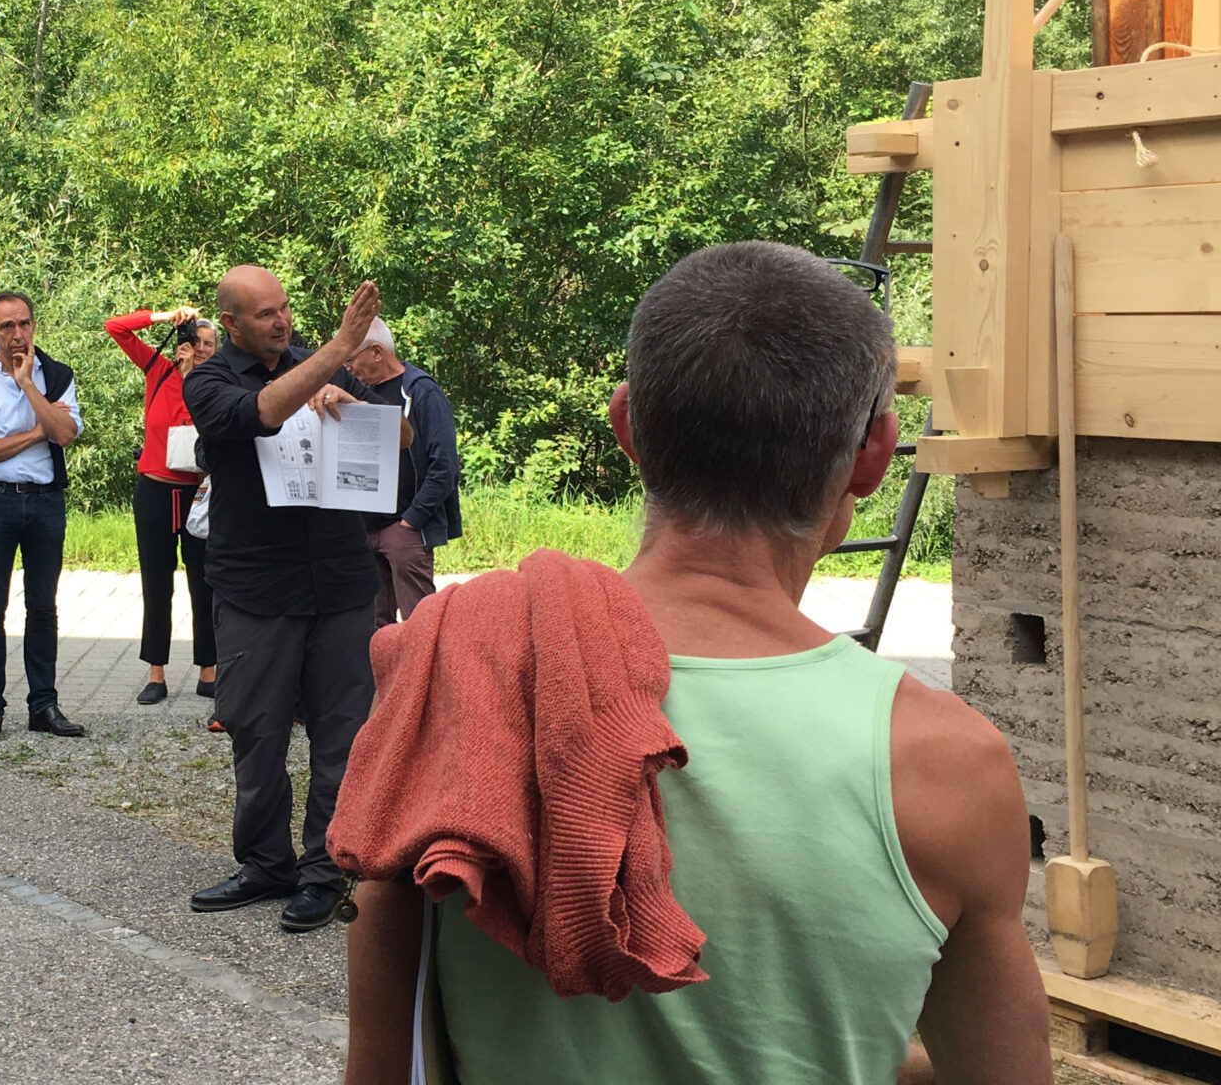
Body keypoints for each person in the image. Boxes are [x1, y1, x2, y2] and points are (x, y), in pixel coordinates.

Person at [340, 243, 1051, 1085]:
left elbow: (384, 1062)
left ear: (627, 427)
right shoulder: (951, 765)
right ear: (874, 455)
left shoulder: (457, 674)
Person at [181, 269, 407, 933]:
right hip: (257, 589)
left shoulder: (324, 366)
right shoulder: (208, 380)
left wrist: (353, 400)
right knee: (255, 730)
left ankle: (324, 874)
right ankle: (265, 865)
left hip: (340, 584)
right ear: (231, 323)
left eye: (284, 309)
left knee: (342, 734)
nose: (281, 321)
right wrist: (337, 352)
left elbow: (403, 439)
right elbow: (263, 413)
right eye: (265, 313)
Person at [0, 291, 85, 744]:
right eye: (7, 326)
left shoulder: (56, 375)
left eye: (24, 324)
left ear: (34, 326)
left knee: (43, 607)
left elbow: (65, 434)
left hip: (45, 501)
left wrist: (28, 384)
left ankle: (43, 705)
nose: (17, 334)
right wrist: (36, 431)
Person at [103, 304, 219, 707]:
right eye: (194, 340)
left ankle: (209, 670)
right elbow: (115, 327)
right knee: (156, 583)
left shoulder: (217, 386)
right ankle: (156, 672)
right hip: (155, 491)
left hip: (198, 493)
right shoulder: (159, 370)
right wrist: (165, 317)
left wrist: (192, 380)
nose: (199, 348)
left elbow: (207, 429)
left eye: (208, 344)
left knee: (204, 582)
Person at [343, 318, 462, 627]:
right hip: (363, 529)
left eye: (350, 358)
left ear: (377, 352)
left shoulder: (421, 392)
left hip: (405, 529)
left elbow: (445, 466)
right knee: (374, 628)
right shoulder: (354, 392)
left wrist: (411, 522)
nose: (347, 367)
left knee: (421, 624)